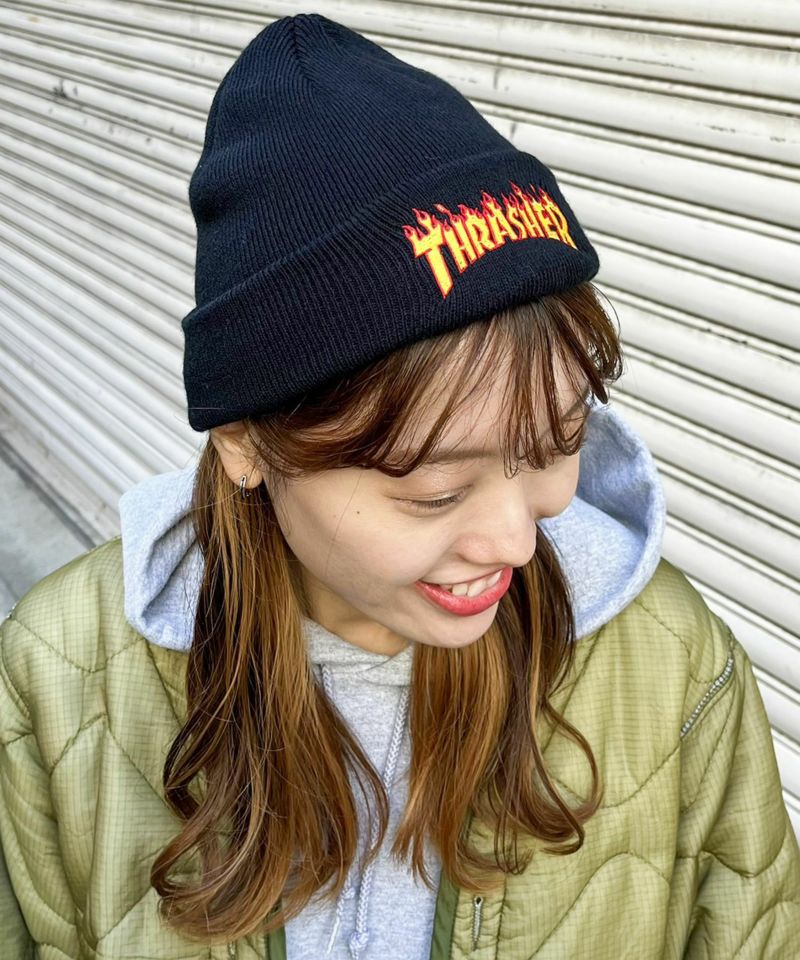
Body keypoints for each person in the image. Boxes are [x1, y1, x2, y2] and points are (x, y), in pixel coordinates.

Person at [1, 13, 798, 960]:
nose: (518, 541)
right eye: (436, 493)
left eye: (556, 444)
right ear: (247, 443)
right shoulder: (54, 681)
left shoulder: (673, 665)